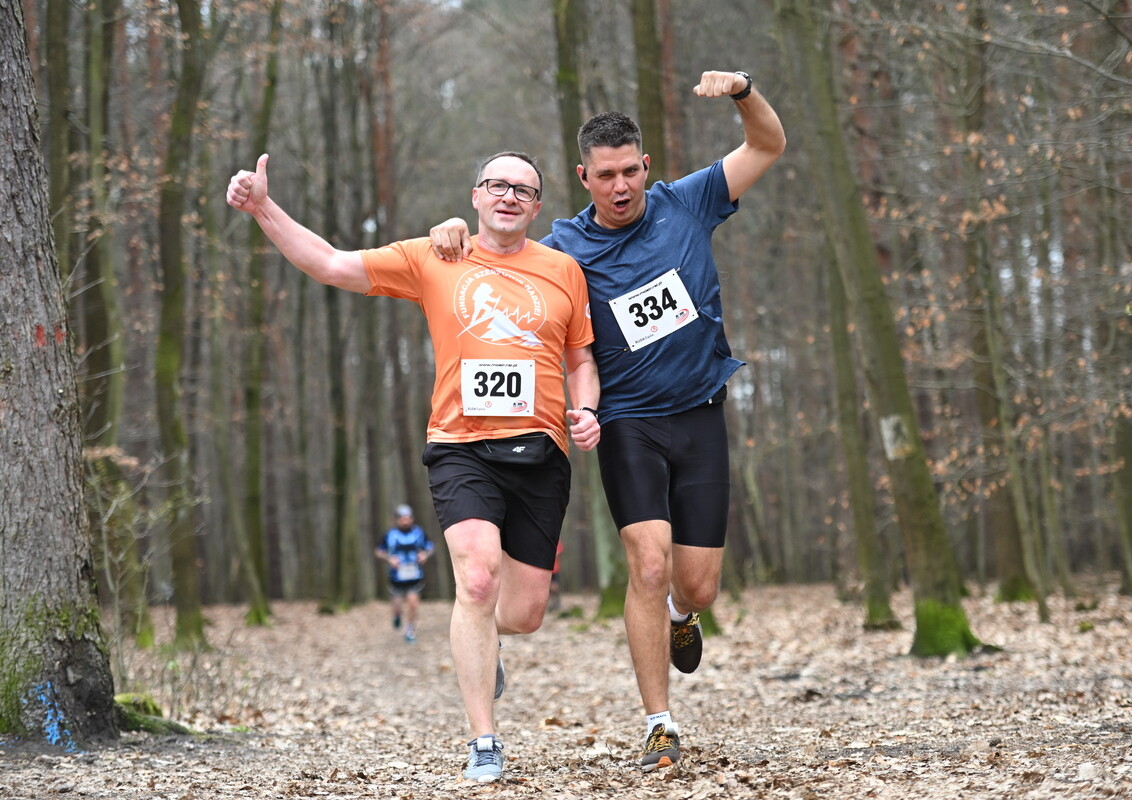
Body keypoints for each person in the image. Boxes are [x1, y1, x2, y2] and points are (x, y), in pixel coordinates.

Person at [430, 70, 785, 772]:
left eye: (630, 172)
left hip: (700, 413)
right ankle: (660, 725)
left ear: (645, 166)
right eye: (605, 176)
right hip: (626, 422)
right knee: (648, 565)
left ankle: (683, 616)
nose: (620, 187)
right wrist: (453, 233)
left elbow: (768, 145)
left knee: (697, 585)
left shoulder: (689, 201)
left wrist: (744, 92)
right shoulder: (563, 248)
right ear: (583, 178)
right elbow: (499, 256)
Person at [227, 150, 601, 784]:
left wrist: (587, 410)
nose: (509, 196)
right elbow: (331, 263)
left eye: (523, 190)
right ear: (476, 196)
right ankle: (484, 740)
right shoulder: (435, 256)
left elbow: (581, 360)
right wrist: (264, 208)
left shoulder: (563, 270)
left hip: (541, 452)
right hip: (460, 445)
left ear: (538, 206)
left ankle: (486, 641)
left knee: (524, 612)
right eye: (497, 185)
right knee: (476, 581)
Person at [374, 504, 435, 641]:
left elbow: (430, 547)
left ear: (412, 518)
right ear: (397, 519)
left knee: (413, 603)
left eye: (408, 518)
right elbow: (378, 551)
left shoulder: (419, 533)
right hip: (396, 576)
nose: (405, 521)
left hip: (415, 575)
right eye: (402, 518)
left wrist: (425, 555)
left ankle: (410, 629)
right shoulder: (390, 534)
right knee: (397, 606)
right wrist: (389, 558)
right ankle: (397, 615)